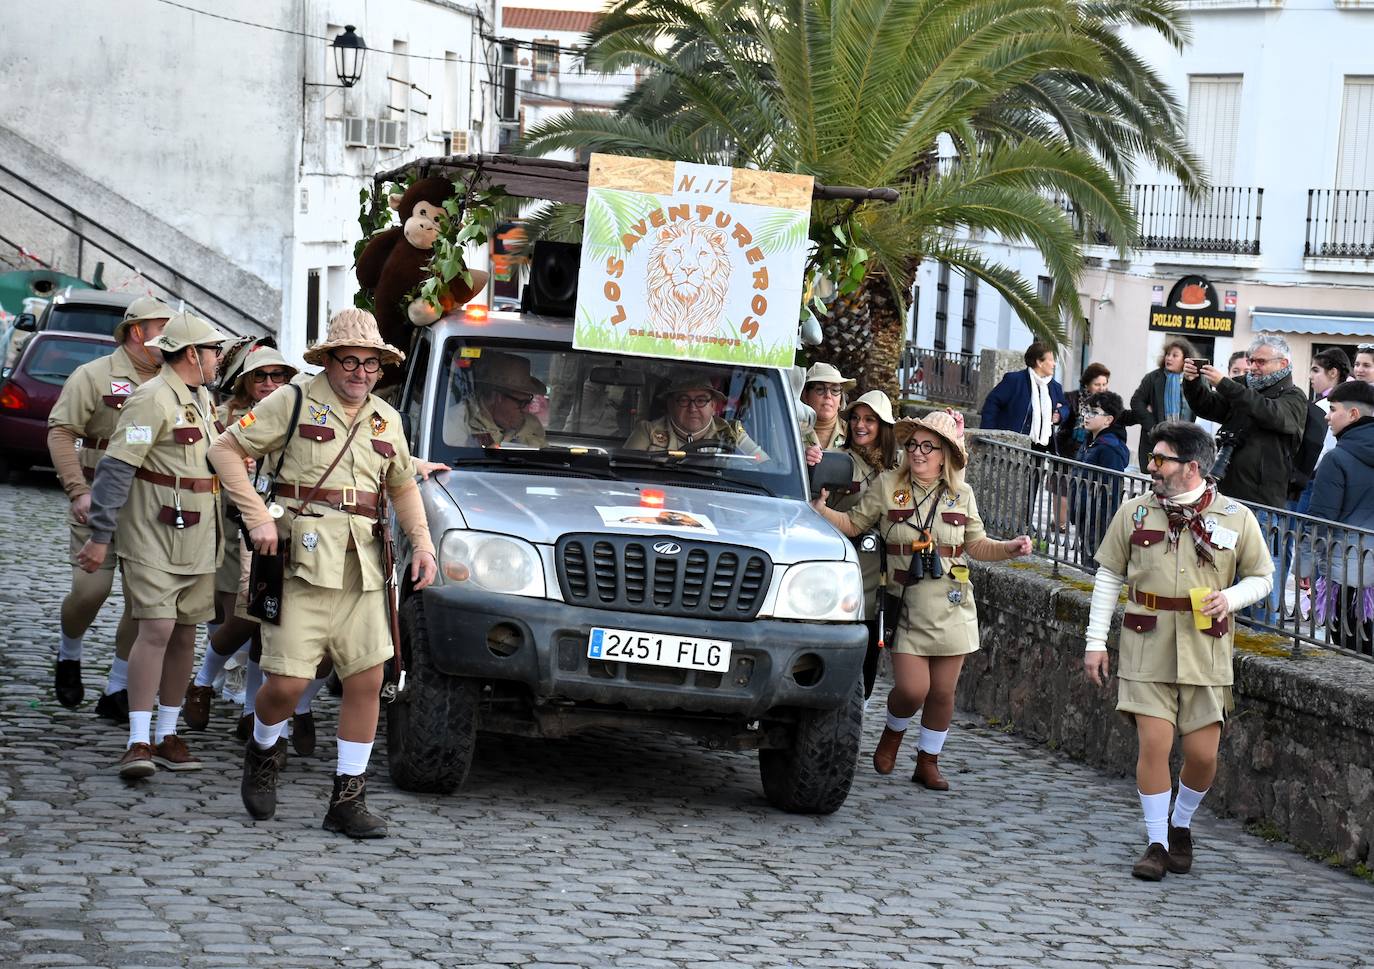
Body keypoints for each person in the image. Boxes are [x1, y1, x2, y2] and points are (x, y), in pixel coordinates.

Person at [209, 308, 439, 838]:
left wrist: (422, 544)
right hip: (301, 562)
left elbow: (402, 485)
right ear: (328, 360)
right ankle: (264, 748)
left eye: (372, 364)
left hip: (364, 565)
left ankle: (347, 798)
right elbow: (225, 448)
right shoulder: (291, 401)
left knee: (368, 679)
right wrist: (257, 514)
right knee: (285, 685)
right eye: (351, 361)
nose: (361, 373)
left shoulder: (387, 418)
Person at [1083, 421, 1272, 881]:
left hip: (1205, 646)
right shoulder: (1133, 512)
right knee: (1155, 743)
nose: (1151, 467)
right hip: (1145, 641)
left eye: (1160, 459)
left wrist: (1230, 598)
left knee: (1204, 755)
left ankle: (1181, 822)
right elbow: (1109, 576)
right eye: (1151, 459)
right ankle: (1156, 843)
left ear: (1192, 468)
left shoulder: (1234, 517)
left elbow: (1263, 577)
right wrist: (1094, 642)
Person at [810, 413, 1033, 789]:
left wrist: (1010, 548)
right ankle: (893, 733)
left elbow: (976, 545)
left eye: (928, 446)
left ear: (945, 454)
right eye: (913, 444)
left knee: (943, 692)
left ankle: (928, 761)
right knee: (913, 690)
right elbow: (853, 524)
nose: (917, 452)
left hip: (953, 602)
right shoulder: (887, 485)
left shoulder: (962, 494)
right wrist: (821, 511)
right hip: (906, 602)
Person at [76, 312, 229, 779]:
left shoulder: (200, 397)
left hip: (199, 538)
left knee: (185, 633)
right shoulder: (150, 398)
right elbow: (117, 469)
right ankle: (137, 740)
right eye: (213, 351)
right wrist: (100, 537)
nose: (218, 359)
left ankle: (167, 733)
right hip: (153, 535)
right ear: (190, 355)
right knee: (157, 630)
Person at [45, 296, 172, 718]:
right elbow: (62, 432)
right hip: (98, 499)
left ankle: (118, 688)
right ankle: (69, 651)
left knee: (144, 604)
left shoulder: (175, 382)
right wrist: (77, 490)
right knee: (90, 591)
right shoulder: (94, 375)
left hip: (151, 509)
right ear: (138, 331)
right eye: (162, 326)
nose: (171, 335)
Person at [184, 345, 303, 740]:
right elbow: (199, 460)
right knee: (244, 618)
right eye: (260, 376)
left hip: (280, 528)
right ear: (245, 382)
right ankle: (203, 680)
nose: (270, 384)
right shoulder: (223, 419)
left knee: (267, 621)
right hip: (231, 528)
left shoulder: (297, 412)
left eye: (278, 376)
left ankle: (254, 712)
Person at [821, 389, 899, 698]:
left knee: (873, 643)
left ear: (884, 426)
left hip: (885, 571)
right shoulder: (839, 459)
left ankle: (858, 705)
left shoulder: (898, 466)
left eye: (869, 419)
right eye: (855, 418)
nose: (860, 425)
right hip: (844, 564)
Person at [1306, 381, 1374, 654]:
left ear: (1354, 414)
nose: (1326, 415)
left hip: (1348, 571)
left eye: (1333, 409)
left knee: (1350, 650)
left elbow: (1322, 519)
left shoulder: (1336, 458)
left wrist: (1307, 566)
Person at [625, 374, 763, 456]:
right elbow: (626, 473)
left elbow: (765, 467)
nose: (693, 408)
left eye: (701, 400)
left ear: (713, 406)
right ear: (671, 405)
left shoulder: (732, 432)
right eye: (684, 400)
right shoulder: (648, 432)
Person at [1072, 391, 1130, 571]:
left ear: (1108, 420)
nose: (1087, 416)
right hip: (1084, 512)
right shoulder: (1090, 440)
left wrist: (1101, 520)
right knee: (1086, 561)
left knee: (1094, 566)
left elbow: (1111, 487)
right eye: (1086, 411)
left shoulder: (1109, 448)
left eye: (1094, 412)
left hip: (1098, 519)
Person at [444, 351, 548, 447]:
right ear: (497, 397)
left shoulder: (532, 424)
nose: (526, 410)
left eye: (528, 401)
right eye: (521, 403)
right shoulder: (457, 422)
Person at [1126, 338, 1196, 472]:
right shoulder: (1153, 378)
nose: (1169, 358)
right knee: (1155, 479)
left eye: (1174, 355)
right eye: (1168, 354)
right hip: (1155, 440)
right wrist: (1153, 427)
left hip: (1182, 442)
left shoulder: (1192, 380)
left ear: (1185, 359)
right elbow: (1136, 401)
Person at [1055, 363, 1111, 529]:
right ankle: (1061, 525)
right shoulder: (1072, 397)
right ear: (1087, 384)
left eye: (1104, 384)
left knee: (1087, 487)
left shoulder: (1108, 401)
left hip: (1092, 449)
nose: (1101, 388)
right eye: (1097, 384)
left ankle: (1082, 524)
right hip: (1068, 447)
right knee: (1062, 485)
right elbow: (1064, 414)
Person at [979, 341, 1068, 444]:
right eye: (1051, 360)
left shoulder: (1054, 387)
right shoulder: (1015, 380)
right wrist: (988, 433)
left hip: (1042, 446)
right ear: (1039, 362)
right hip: (1013, 444)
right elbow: (992, 403)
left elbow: (1066, 407)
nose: (1054, 364)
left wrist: (1059, 414)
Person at [800, 361, 856, 458]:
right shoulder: (789, 430)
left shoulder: (854, 432)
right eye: (820, 389)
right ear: (805, 395)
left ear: (840, 400)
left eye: (835, 390)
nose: (828, 396)